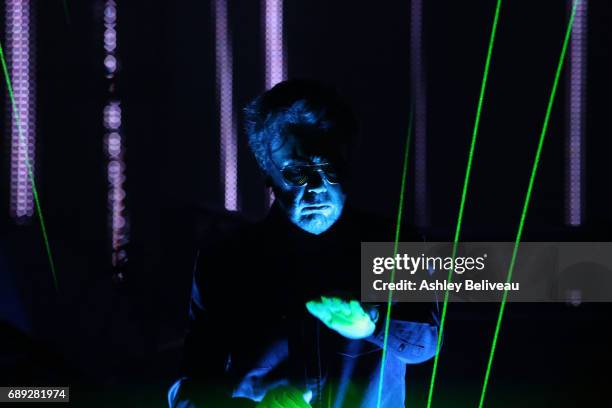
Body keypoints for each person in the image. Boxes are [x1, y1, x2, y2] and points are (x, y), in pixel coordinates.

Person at [168, 79, 439, 408]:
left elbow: (426, 342)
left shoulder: (396, 245)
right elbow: (193, 385)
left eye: (330, 168)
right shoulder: (226, 261)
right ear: (269, 175)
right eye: (297, 172)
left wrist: (375, 324)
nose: (316, 188)